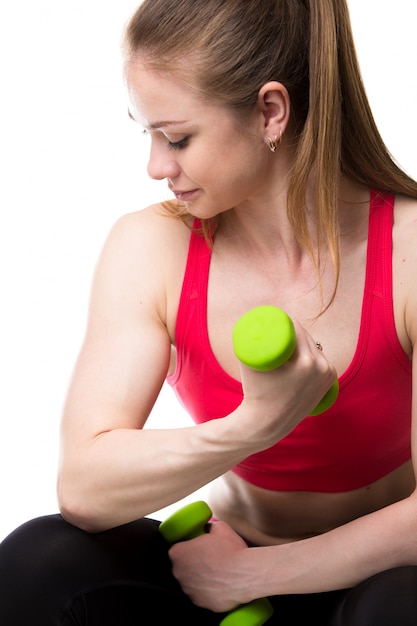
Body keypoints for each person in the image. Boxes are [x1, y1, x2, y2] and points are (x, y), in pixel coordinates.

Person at [2, 0, 417, 623]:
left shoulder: (408, 249)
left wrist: (253, 576)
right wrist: (253, 425)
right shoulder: (152, 245)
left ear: (270, 112)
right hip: (217, 564)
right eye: (149, 136)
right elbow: (84, 489)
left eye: (177, 138)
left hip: (372, 576)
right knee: (38, 562)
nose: (156, 167)